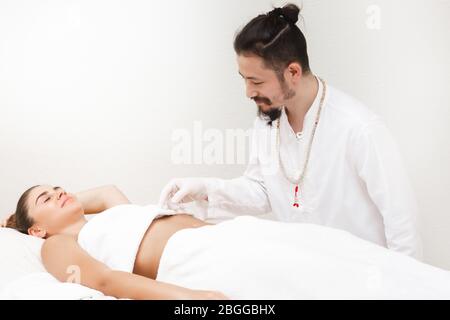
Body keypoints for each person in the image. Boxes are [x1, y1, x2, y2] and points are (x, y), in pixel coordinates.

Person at [159, 4, 422, 259]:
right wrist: (205, 188)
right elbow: (262, 190)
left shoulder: (358, 128)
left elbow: (402, 225)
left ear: (293, 71)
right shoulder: (267, 122)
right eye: (244, 79)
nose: (249, 92)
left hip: (364, 278)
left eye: (256, 81)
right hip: (302, 272)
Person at [3, 185, 450, 299]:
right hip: (198, 264)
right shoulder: (54, 246)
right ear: (36, 229)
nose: (61, 191)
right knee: (324, 283)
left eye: (59, 185)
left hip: (234, 237)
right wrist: (188, 297)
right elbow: (104, 281)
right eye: (46, 196)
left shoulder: (108, 212)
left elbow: (104, 191)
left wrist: (57, 202)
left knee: (338, 251)